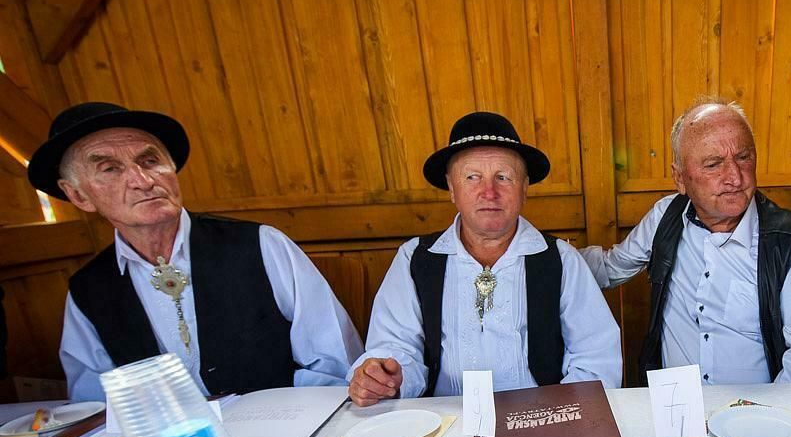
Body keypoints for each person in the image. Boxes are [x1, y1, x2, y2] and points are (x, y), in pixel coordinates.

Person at [28, 102, 364, 400]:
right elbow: (95, 403)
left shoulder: (261, 245)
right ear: (78, 196)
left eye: (150, 161)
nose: (143, 180)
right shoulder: (89, 289)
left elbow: (335, 365)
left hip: (288, 432)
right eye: (110, 168)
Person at [349, 111, 621, 406]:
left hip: (539, 417)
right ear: (452, 188)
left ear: (524, 188)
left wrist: (556, 416)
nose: (489, 192)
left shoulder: (561, 260)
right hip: (444, 419)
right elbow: (395, 348)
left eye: (503, 177)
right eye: (472, 177)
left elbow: (595, 358)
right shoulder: (414, 259)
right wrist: (386, 378)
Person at [580, 98, 791, 385]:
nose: (735, 177)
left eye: (743, 157)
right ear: (680, 178)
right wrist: (553, 257)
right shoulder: (666, 217)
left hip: (756, 409)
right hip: (674, 405)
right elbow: (610, 268)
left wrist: (758, 414)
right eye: (714, 164)